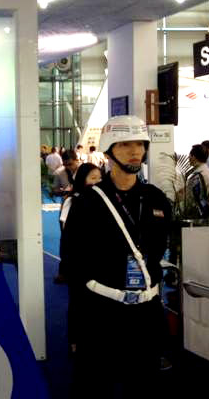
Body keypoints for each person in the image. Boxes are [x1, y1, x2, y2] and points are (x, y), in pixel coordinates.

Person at [65, 115, 171, 398]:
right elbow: (73, 266)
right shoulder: (88, 203)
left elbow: (156, 255)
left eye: (140, 144)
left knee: (144, 388)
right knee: (93, 389)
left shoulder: (156, 199)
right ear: (110, 150)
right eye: (125, 144)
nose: (135, 151)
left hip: (145, 315)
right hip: (101, 315)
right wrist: (76, 329)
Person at [54, 162, 102, 285]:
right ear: (82, 178)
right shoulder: (72, 199)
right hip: (76, 247)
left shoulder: (100, 199)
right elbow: (66, 231)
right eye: (93, 178)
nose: (97, 181)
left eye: (99, 178)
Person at [185, 144, 209, 219]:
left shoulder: (196, 177)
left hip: (202, 217)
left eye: (189, 155)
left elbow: (192, 201)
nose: (188, 158)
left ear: (193, 157)